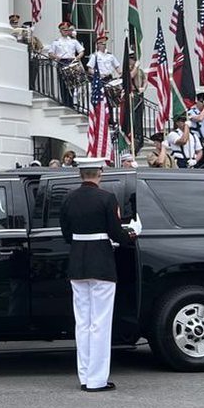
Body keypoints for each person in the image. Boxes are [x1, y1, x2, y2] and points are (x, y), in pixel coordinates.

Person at [59, 157, 135, 392]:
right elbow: (115, 232)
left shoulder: (68, 199)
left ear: (80, 174)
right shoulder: (107, 198)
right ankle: (97, 379)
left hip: (78, 264)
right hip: (101, 263)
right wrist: (130, 235)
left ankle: (84, 376)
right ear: (99, 173)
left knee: (82, 323)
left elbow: (66, 233)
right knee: (100, 323)